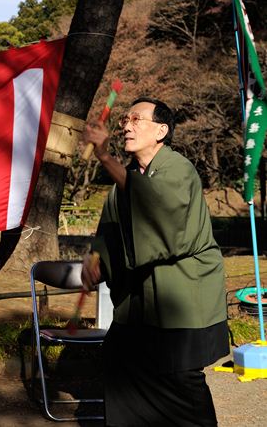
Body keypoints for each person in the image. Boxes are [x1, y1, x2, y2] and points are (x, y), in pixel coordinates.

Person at [81, 97, 229, 426]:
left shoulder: (178, 169)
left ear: (161, 130)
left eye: (137, 119)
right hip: (138, 302)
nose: (127, 125)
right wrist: (96, 261)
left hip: (182, 295)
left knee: (180, 379)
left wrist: (104, 155)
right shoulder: (125, 181)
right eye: (125, 120)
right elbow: (108, 232)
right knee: (119, 363)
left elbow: (154, 203)